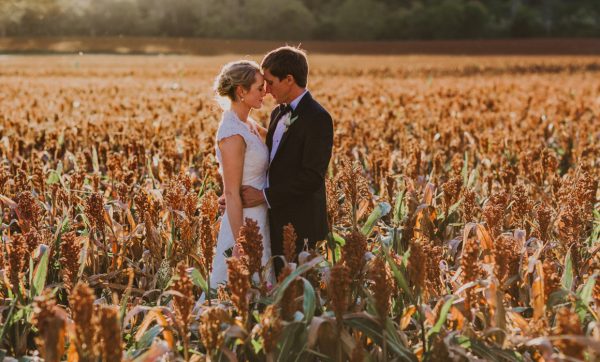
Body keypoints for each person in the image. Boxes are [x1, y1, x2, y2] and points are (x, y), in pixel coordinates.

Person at [231, 46, 334, 276]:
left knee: (298, 291)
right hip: (272, 221)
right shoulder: (278, 113)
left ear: (289, 79)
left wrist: (264, 196)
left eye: (270, 82)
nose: (266, 90)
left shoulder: (318, 118)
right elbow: (270, 163)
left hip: (301, 224)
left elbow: (312, 177)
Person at [210, 60, 272, 287]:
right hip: (245, 221)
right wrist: (241, 242)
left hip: (260, 216)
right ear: (241, 91)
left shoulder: (249, 125)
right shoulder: (233, 134)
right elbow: (232, 193)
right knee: (237, 293)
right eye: (259, 87)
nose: (265, 92)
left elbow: (282, 142)